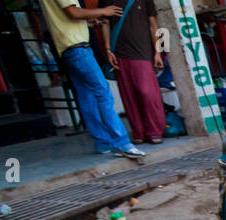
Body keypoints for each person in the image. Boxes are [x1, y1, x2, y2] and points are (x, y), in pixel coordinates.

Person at [37, 0, 145, 159]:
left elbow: (66, 18)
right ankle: (122, 143)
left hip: (67, 48)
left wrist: (88, 21)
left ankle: (102, 142)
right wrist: (104, 11)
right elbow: (73, 12)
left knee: (86, 96)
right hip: (78, 49)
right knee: (103, 93)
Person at [97, 0, 166, 144]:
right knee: (128, 95)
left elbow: (154, 24)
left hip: (143, 52)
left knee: (147, 92)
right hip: (119, 52)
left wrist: (158, 52)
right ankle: (138, 132)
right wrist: (108, 50)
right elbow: (105, 23)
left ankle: (154, 130)